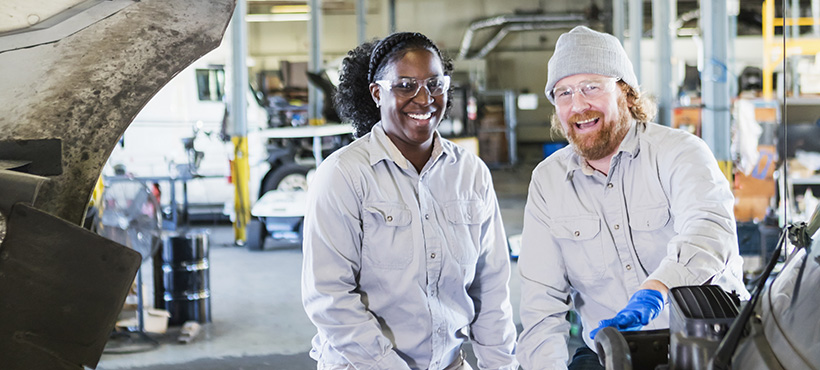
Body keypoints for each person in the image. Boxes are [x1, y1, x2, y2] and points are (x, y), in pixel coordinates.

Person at [516, 26, 750, 370]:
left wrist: (657, 289)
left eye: (591, 88)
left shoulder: (680, 152)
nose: (577, 105)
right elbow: (541, 304)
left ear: (625, 93)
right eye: (563, 93)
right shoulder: (548, 182)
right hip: (612, 353)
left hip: (710, 345)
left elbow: (709, 231)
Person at [301, 31, 518, 370]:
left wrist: (501, 366)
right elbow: (329, 297)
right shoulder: (344, 174)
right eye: (405, 85)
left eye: (435, 84)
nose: (423, 98)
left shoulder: (470, 173)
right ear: (376, 93)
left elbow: (490, 290)